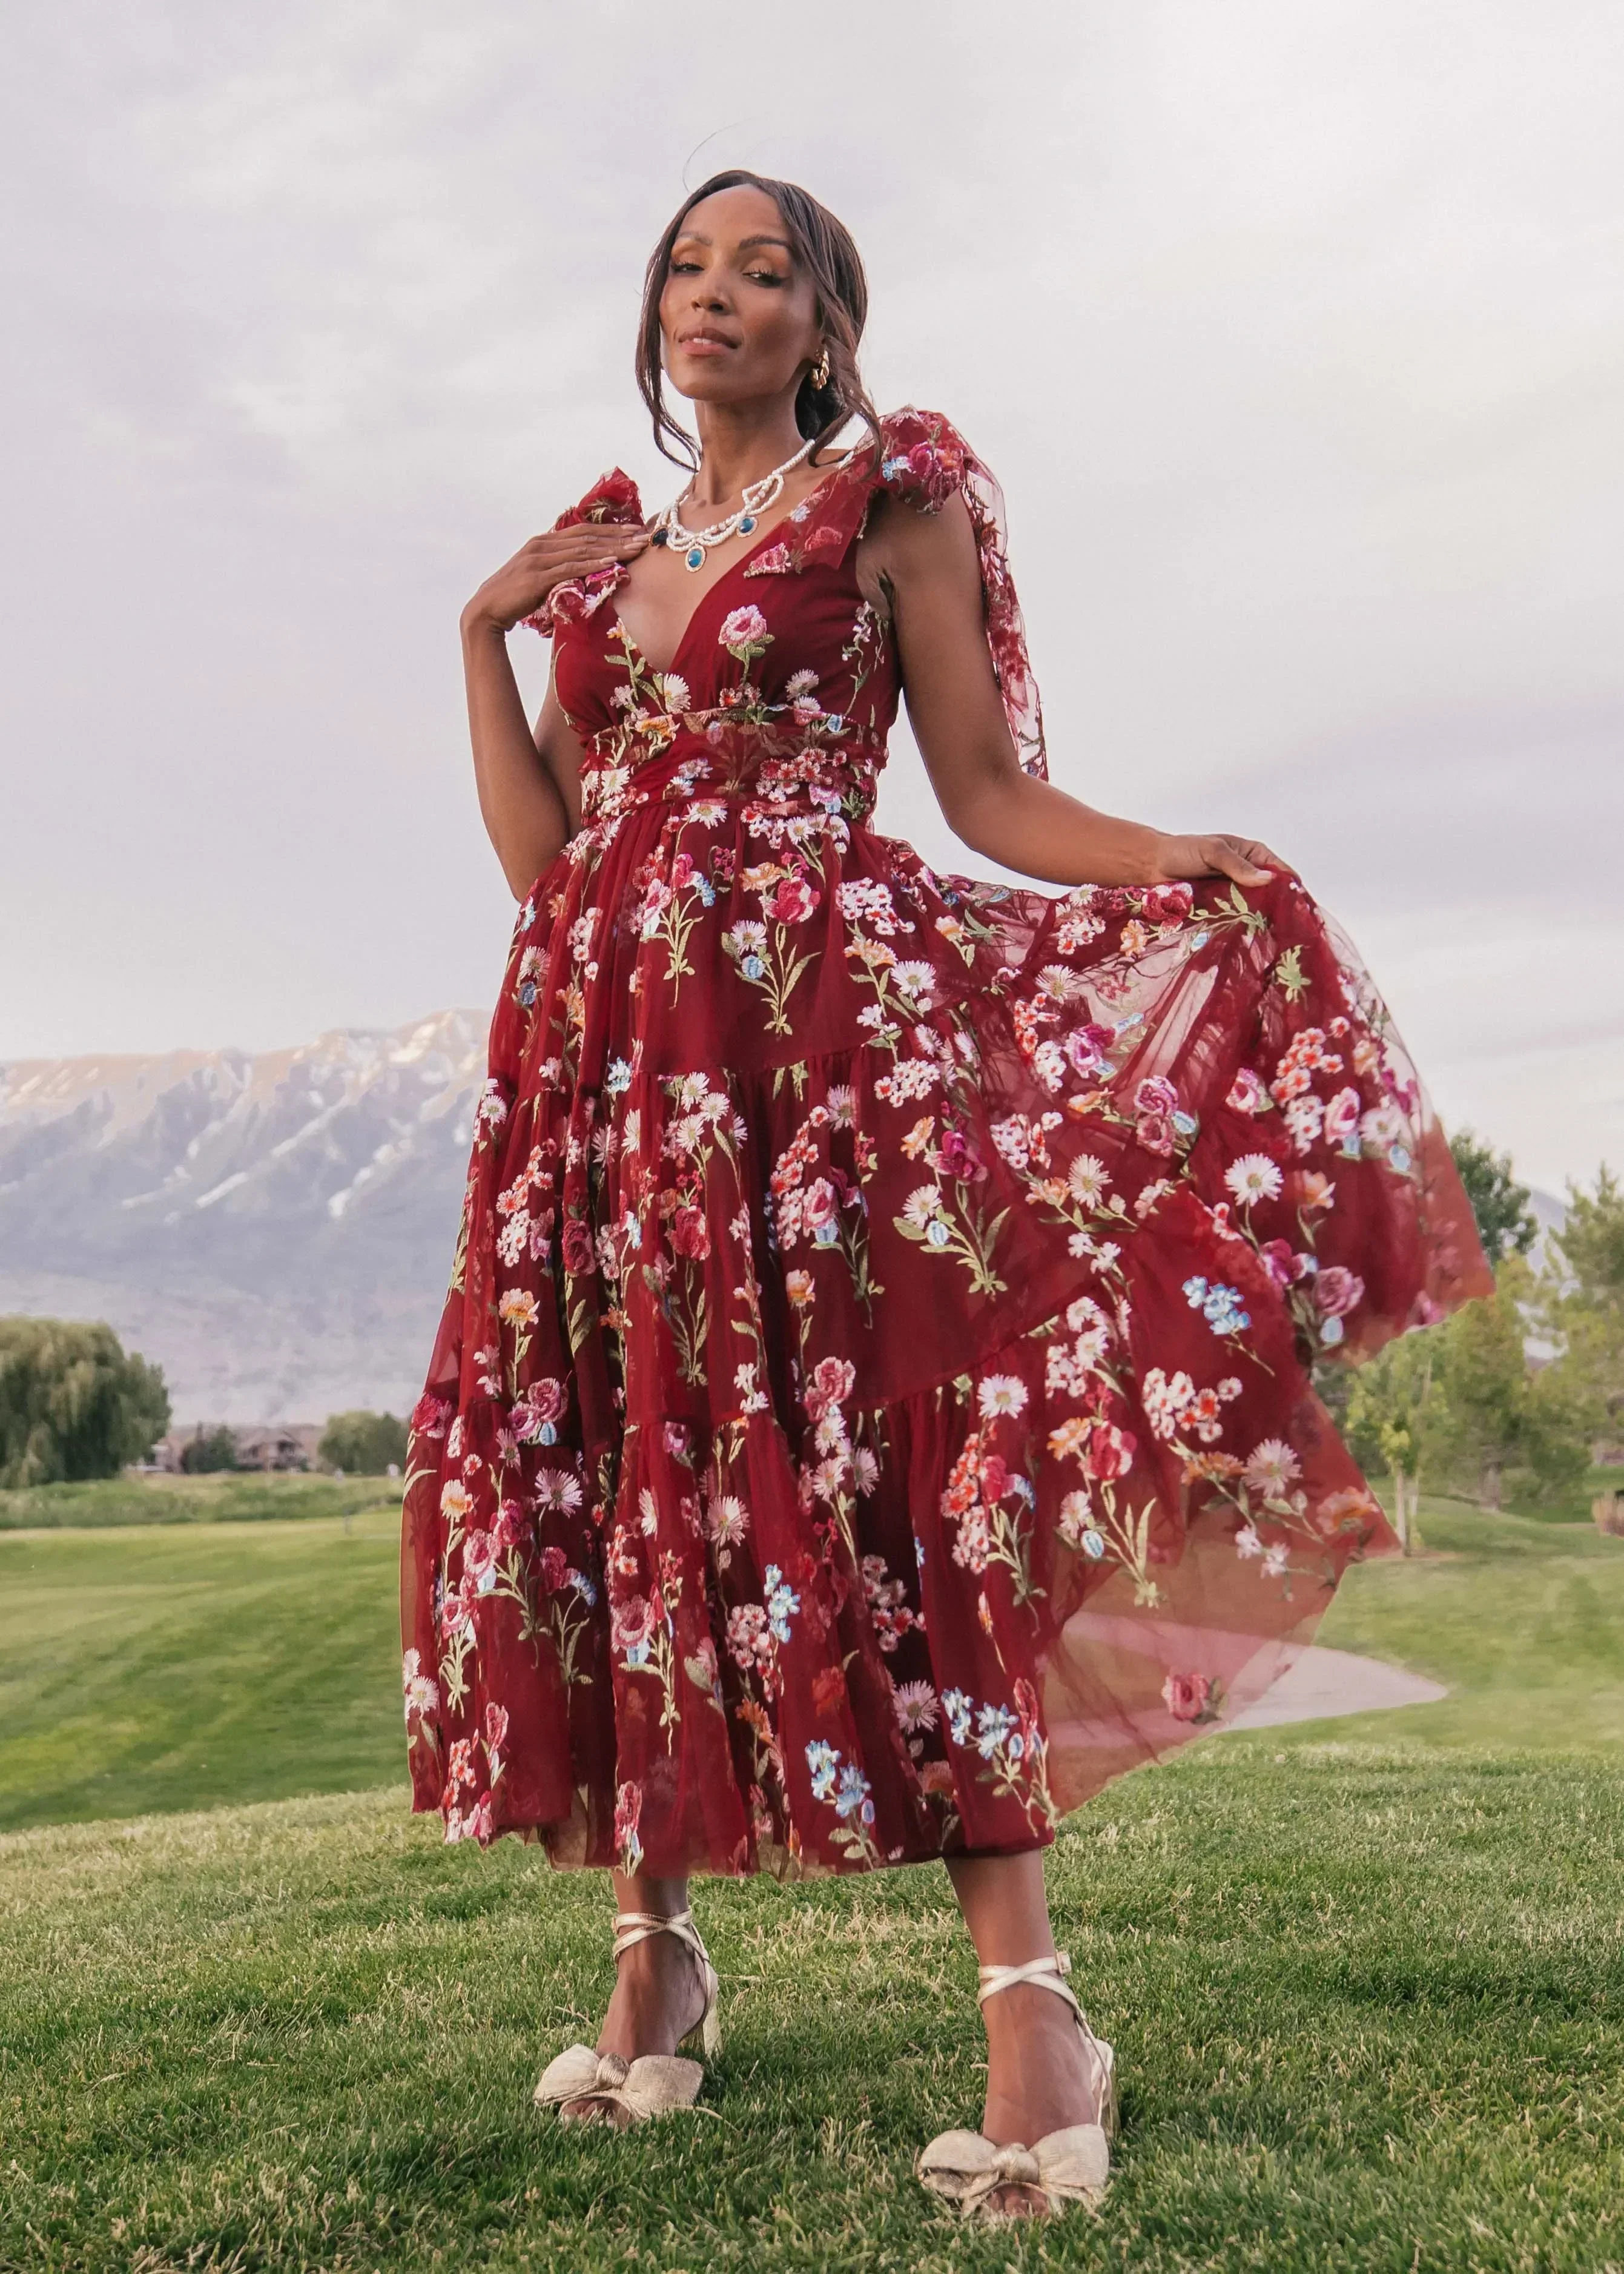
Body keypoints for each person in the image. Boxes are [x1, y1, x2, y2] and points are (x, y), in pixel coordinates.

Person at [400, 169, 1490, 2221]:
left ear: (825, 322)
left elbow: (984, 792)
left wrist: (1180, 851)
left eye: (764, 270)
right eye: (686, 266)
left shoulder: (890, 504)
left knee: (896, 1483)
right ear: (649, 315)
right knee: (637, 1472)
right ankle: (650, 1970)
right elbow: (553, 865)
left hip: (818, 1057)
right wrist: (480, 628)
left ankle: (1037, 2017)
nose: (715, 295)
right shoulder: (603, 552)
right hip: (605, 1065)